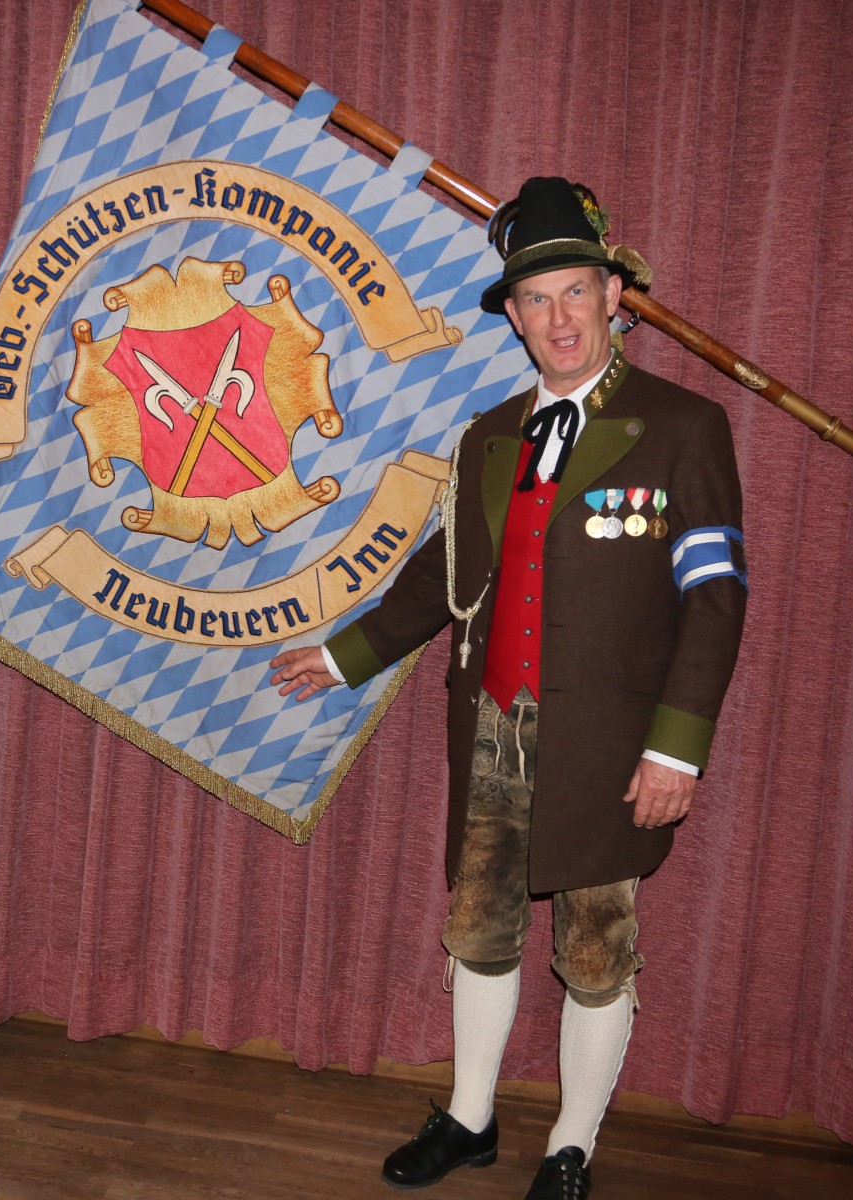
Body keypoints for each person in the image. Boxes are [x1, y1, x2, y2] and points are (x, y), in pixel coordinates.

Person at [270, 177, 746, 1199]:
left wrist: (676, 749)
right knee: (480, 925)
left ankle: (572, 1144)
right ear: (516, 317)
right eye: (536, 299)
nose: (558, 317)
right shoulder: (490, 434)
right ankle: (471, 1116)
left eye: (575, 291)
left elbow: (715, 600)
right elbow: (445, 574)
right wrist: (345, 655)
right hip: (493, 726)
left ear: (613, 297)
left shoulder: (684, 425)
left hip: (612, 746)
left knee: (596, 945)